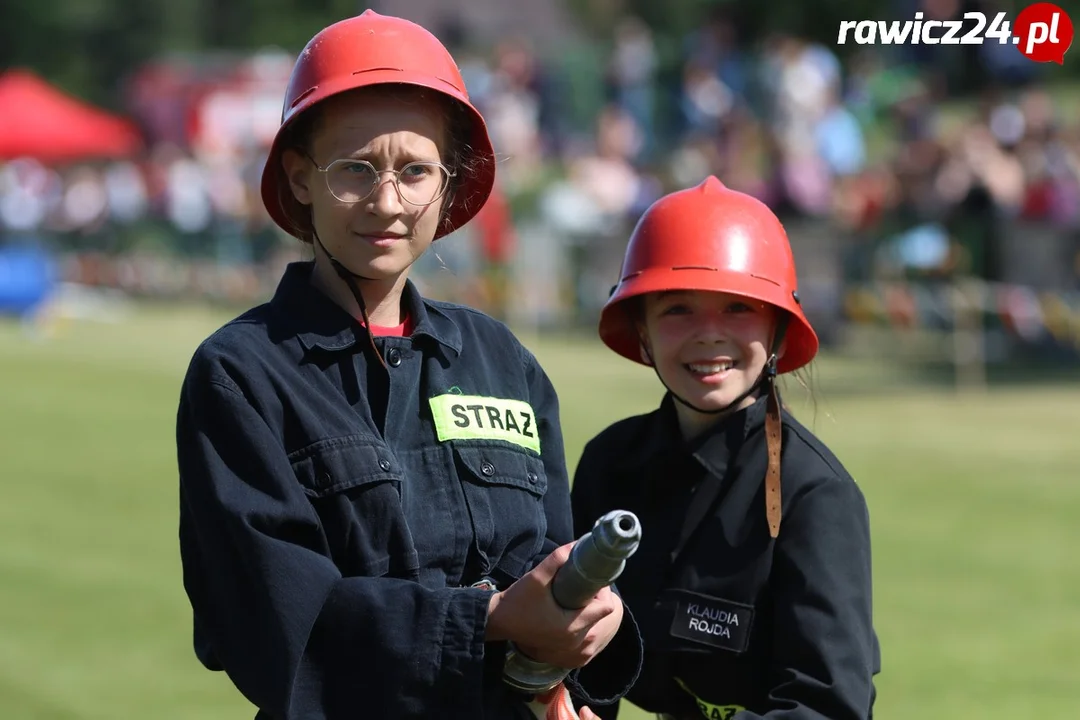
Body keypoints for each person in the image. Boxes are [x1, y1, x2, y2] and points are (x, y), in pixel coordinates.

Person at [175, 11, 640, 719]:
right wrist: (489, 621)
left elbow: (548, 568)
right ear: (299, 179)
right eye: (355, 169)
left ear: (449, 186)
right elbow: (271, 621)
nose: (387, 202)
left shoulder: (503, 360)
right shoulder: (241, 374)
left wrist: (586, 634)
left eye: (414, 171)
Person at [569, 177, 880, 719]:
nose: (709, 334)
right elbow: (573, 658)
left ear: (780, 330)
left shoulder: (816, 496)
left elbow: (828, 708)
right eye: (677, 310)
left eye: (738, 308)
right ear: (641, 330)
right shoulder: (610, 462)